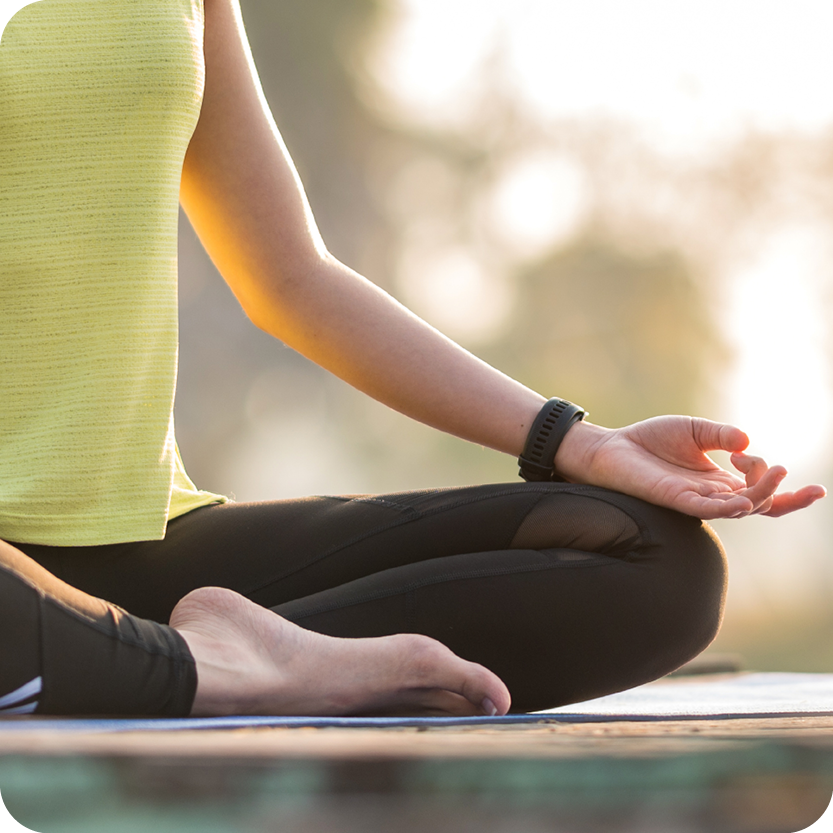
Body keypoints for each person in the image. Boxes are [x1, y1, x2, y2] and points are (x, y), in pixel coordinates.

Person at [0, 0, 824, 720]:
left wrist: (577, 443)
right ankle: (196, 670)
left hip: (140, 547)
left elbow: (290, 277)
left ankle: (160, 663)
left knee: (656, 558)